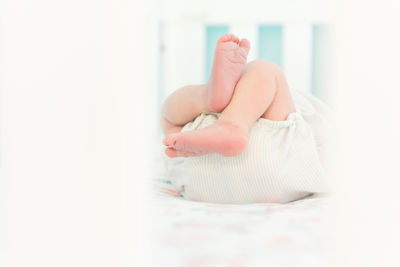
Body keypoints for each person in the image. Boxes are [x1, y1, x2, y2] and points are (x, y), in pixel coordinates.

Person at [161, 34, 331, 203]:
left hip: (197, 178)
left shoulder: (291, 98)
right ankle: (231, 124)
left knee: (168, 114)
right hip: (283, 173)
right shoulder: (309, 113)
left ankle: (210, 101)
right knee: (265, 72)